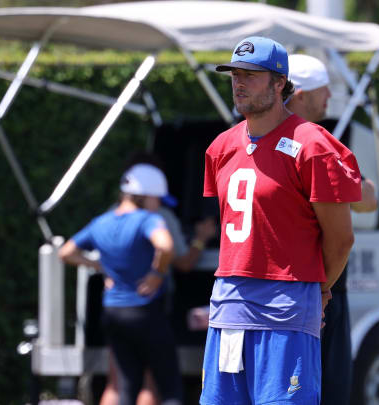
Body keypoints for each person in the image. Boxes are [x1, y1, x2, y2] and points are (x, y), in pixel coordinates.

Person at [199, 36, 361, 405]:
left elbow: (341, 239)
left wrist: (318, 291)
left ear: (279, 83)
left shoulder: (314, 144)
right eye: (235, 74)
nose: (239, 83)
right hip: (228, 306)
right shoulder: (220, 147)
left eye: (251, 75)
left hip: (285, 308)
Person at [287, 53, 378, 405]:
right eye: (323, 91)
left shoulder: (248, 138)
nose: (329, 100)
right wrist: (322, 291)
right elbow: (365, 203)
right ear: (301, 95)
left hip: (269, 294)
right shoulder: (318, 144)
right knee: (326, 390)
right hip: (319, 293)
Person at [59, 163, 185, 405]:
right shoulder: (148, 219)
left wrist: (99, 267)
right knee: (168, 387)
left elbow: (66, 252)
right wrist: (156, 274)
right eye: (157, 199)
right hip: (146, 312)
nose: (158, 204)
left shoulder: (101, 222)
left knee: (125, 386)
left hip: (113, 313)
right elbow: (166, 246)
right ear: (145, 196)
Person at [97, 155, 216, 405]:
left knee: (117, 383)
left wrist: (99, 266)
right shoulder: (157, 217)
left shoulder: (109, 215)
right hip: (149, 307)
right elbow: (182, 261)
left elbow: (68, 251)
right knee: (151, 382)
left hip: (113, 307)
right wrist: (200, 239)